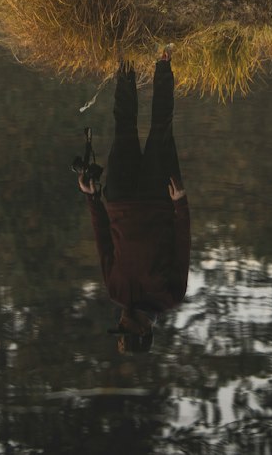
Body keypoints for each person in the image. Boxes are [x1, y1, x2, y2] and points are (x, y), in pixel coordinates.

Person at [77, 51, 189, 353]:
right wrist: (180, 203)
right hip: (159, 198)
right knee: (161, 125)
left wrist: (91, 197)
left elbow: (102, 239)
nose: (121, 323)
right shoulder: (171, 297)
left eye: (120, 329)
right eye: (126, 330)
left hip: (119, 197)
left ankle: (125, 57)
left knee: (123, 124)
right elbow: (182, 245)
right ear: (143, 330)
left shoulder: (115, 291)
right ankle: (163, 58)